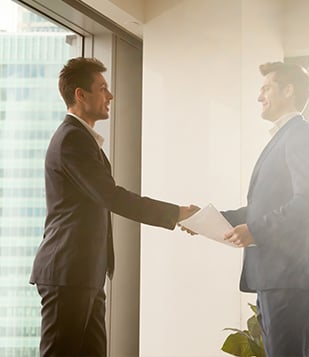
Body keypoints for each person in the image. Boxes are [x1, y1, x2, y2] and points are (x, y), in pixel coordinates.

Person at [30, 57, 197, 357]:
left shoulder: (83, 139)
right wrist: (176, 213)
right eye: (103, 88)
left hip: (85, 273)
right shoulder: (72, 140)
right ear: (80, 95)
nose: (110, 96)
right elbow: (112, 196)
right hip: (67, 274)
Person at [223, 62, 309, 357]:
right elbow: (261, 208)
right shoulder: (284, 137)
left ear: (289, 90)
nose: (260, 96)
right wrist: (210, 219)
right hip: (275, 277)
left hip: (288, 276)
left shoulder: (301, 136)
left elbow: (308, 200)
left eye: (266, 88)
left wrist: (254, 230)